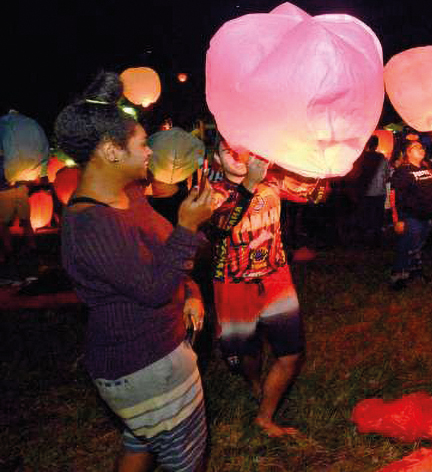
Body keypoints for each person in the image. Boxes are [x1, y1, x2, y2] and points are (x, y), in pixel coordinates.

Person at [56, 72, 214, 472]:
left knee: (139, 444)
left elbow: (164, 255)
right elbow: (153, 288)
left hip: (156, 354)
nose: (150, 152)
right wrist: (188, 227)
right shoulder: (91, 224)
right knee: (186, 461)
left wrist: (191, 290)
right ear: (112, 151)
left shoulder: (129, 196)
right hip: (142, 366)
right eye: (143, 144)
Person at [209, 138, 304, 437]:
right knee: (246, 354)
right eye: (228, 151)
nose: (237, 155)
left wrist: (321, 166)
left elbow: (315, 194)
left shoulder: (273, 182)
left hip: (276, 279)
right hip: (234, 285)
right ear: (216, 158)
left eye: (241, 148)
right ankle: (253, 382)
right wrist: (249, 182)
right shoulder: (212, 192)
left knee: (291, 354)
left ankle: (265, 417)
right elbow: (222, 223)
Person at [390, 140, 432, 290]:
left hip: (427, 216)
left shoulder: (426, 168)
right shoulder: (403, 171)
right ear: (408, 153)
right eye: (416, 147)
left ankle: (414, 270)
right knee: (406, 246)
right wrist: (398, 220)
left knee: (418, 246)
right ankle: (398, 276)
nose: (421, 149)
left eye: (421, 147)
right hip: (411, 216)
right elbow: (395, 196)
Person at [349, 135, 391, 247]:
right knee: (378, 216)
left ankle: (363, 239)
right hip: (379, 192)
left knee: (364, 216)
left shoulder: (361, 157)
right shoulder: (382, 158)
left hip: (365, 191)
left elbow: (355, 174)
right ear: (377, 145)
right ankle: (376, 239)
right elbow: (387, 175)